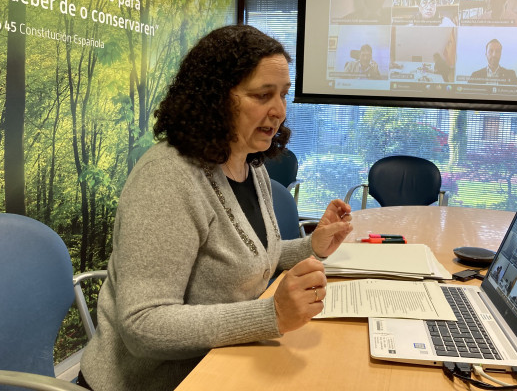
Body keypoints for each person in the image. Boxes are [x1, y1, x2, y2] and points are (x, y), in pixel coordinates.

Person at [78, 25, 353, 391]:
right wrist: (270, 314)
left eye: (284, 95)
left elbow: (241, 259)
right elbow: (142, 326)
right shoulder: (168, 177)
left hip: (222, 365)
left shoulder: (248, 164)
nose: (279, 110)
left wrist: (311, 247)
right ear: (214, 98)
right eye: (262, 95)